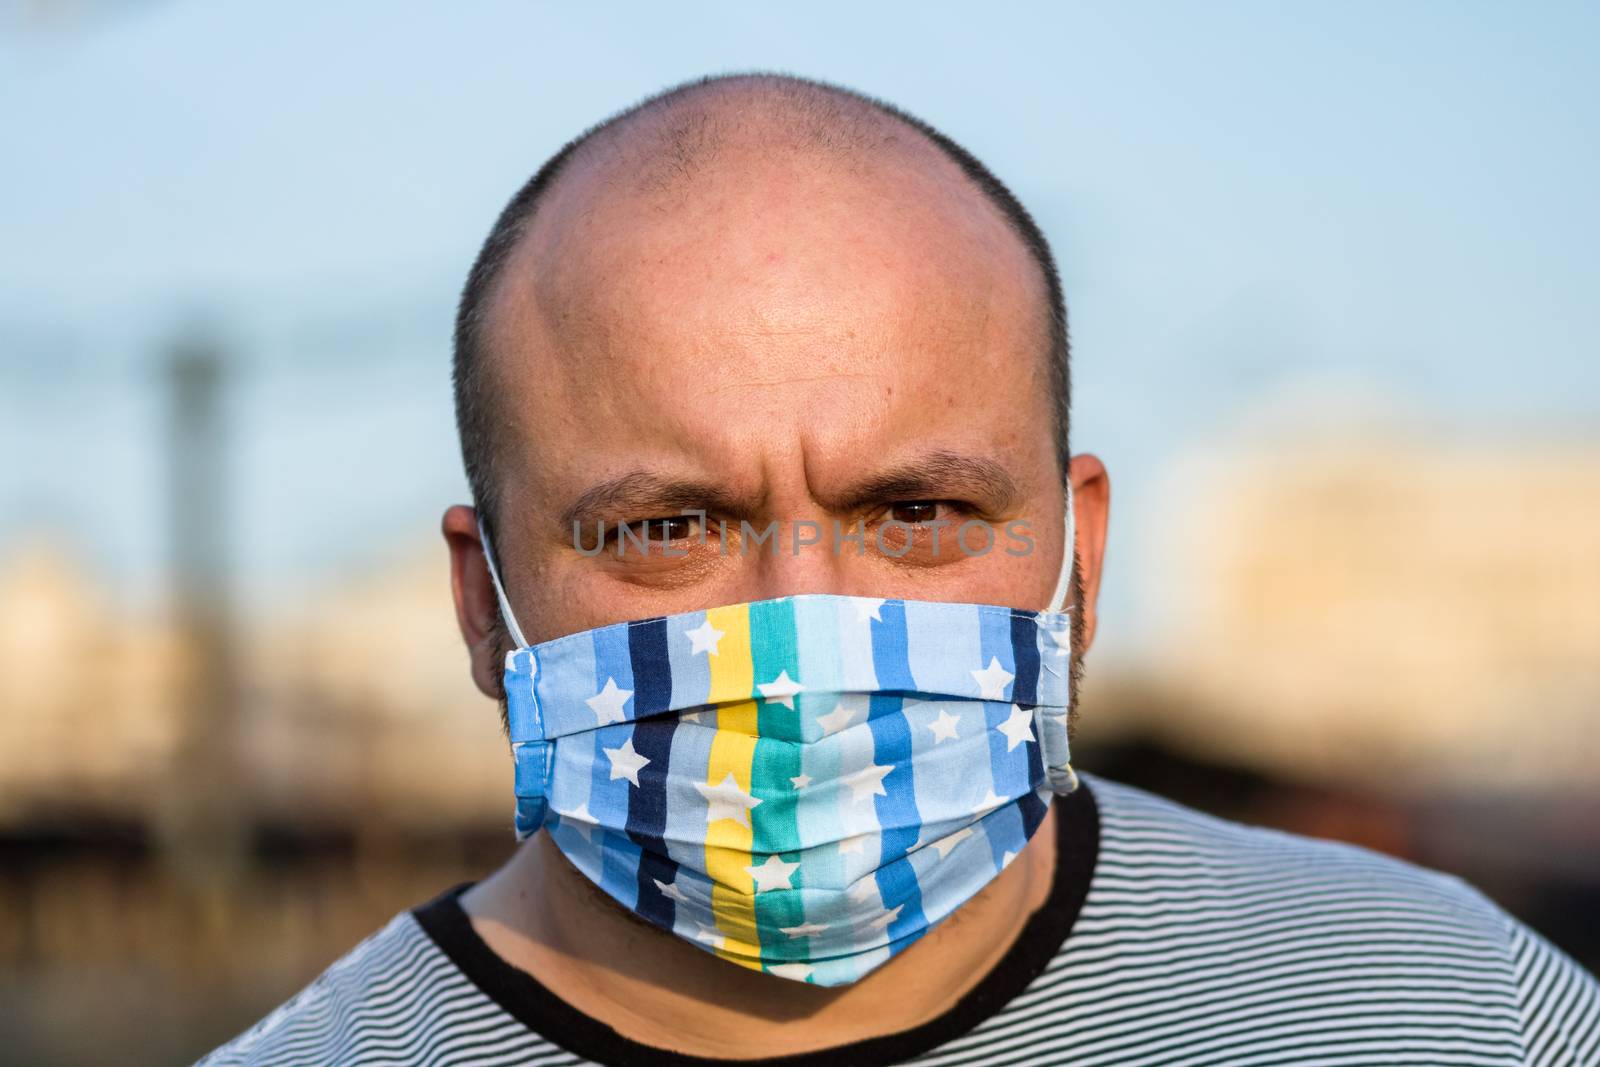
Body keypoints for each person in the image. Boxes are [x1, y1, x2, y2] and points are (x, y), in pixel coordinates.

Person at [200, 72, 1599, 1066]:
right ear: (480, 605)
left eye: (918, 511)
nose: (805, 616)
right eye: (665, 529)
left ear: (1081, 557)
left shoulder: (1451, 1013)